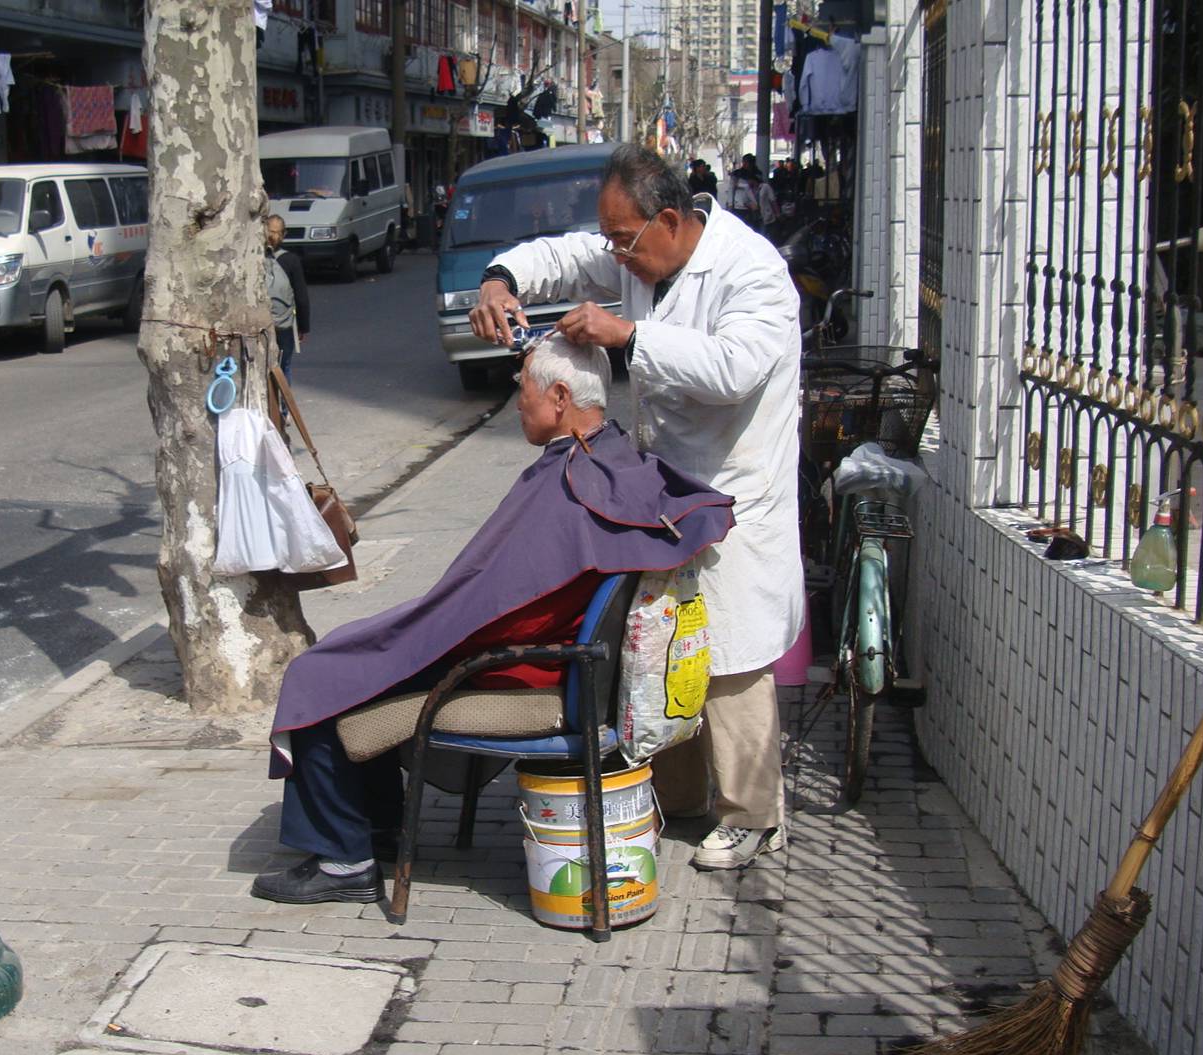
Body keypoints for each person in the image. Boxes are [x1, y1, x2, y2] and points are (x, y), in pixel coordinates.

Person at [252, 336, 734, 904]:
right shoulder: (610, 458)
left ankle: (343, 860)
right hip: (559, 657)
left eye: (522, 387)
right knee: (356, 655)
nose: (517, 400)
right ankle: (373, 828)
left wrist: (429, 637)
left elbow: (510, 609)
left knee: (322, 674)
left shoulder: (571, 481)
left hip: (529, 665)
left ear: (558, 396)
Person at [467, 144, 803, 871]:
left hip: (733, 491)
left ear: (671, 220)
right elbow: (562, 255)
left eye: (624, 241)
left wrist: (628, 336)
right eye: (611, 238)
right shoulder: (640, 248)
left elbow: (734, 369)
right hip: (662, 490)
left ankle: (752, 814)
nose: (614, 256)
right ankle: (677, 796)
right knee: (660, 643)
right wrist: (500, 279)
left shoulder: (752, 273)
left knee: (729, 656)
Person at [264, 214, 310, 380]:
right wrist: (303, 327)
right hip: (284, 324)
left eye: (274, 232)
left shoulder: (254, 257)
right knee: (284, 365)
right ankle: (283, 405)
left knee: (261, 366)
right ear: (284, 235)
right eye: (272, 232)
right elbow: (301, 298)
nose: (273, 236)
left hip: (261, 323)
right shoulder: (291, 260)